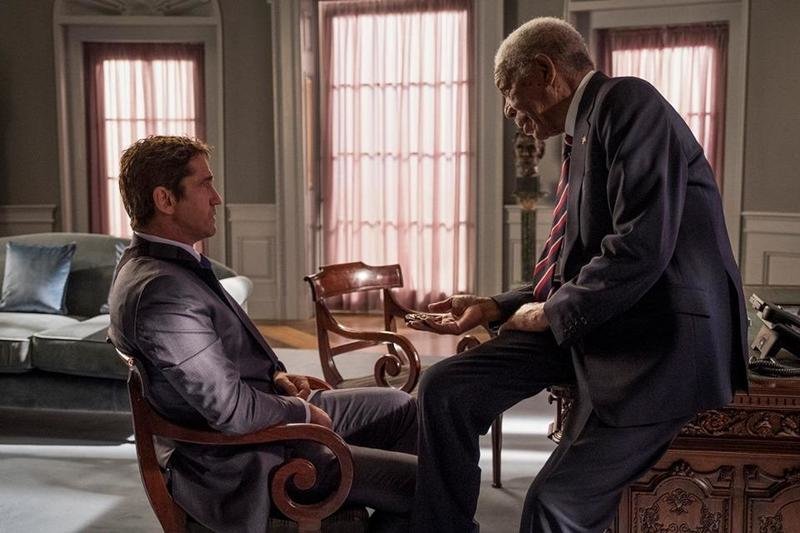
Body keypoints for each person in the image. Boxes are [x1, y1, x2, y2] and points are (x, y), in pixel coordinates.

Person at [409, 17, 748, 533]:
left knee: (553, 507)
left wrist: (549, 312)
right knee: (444, 387)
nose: (508, 111)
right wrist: (497, 306)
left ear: (545, 71)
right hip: (603, 319)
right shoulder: (583, 132)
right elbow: (574, 265)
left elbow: (640, 247)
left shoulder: (627, 101)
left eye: (507, 91)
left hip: (656, 344)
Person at [107, 135, 417, 533]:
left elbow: (215, 369)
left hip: (265, 426)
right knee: (432, 482)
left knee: (402, 408)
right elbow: (230, 410)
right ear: (165, 199)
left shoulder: (159, 263)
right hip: (246, 463)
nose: (217, 198)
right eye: (205, 184)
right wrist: (303, 412)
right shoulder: (162, 291)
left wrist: (276, 376)